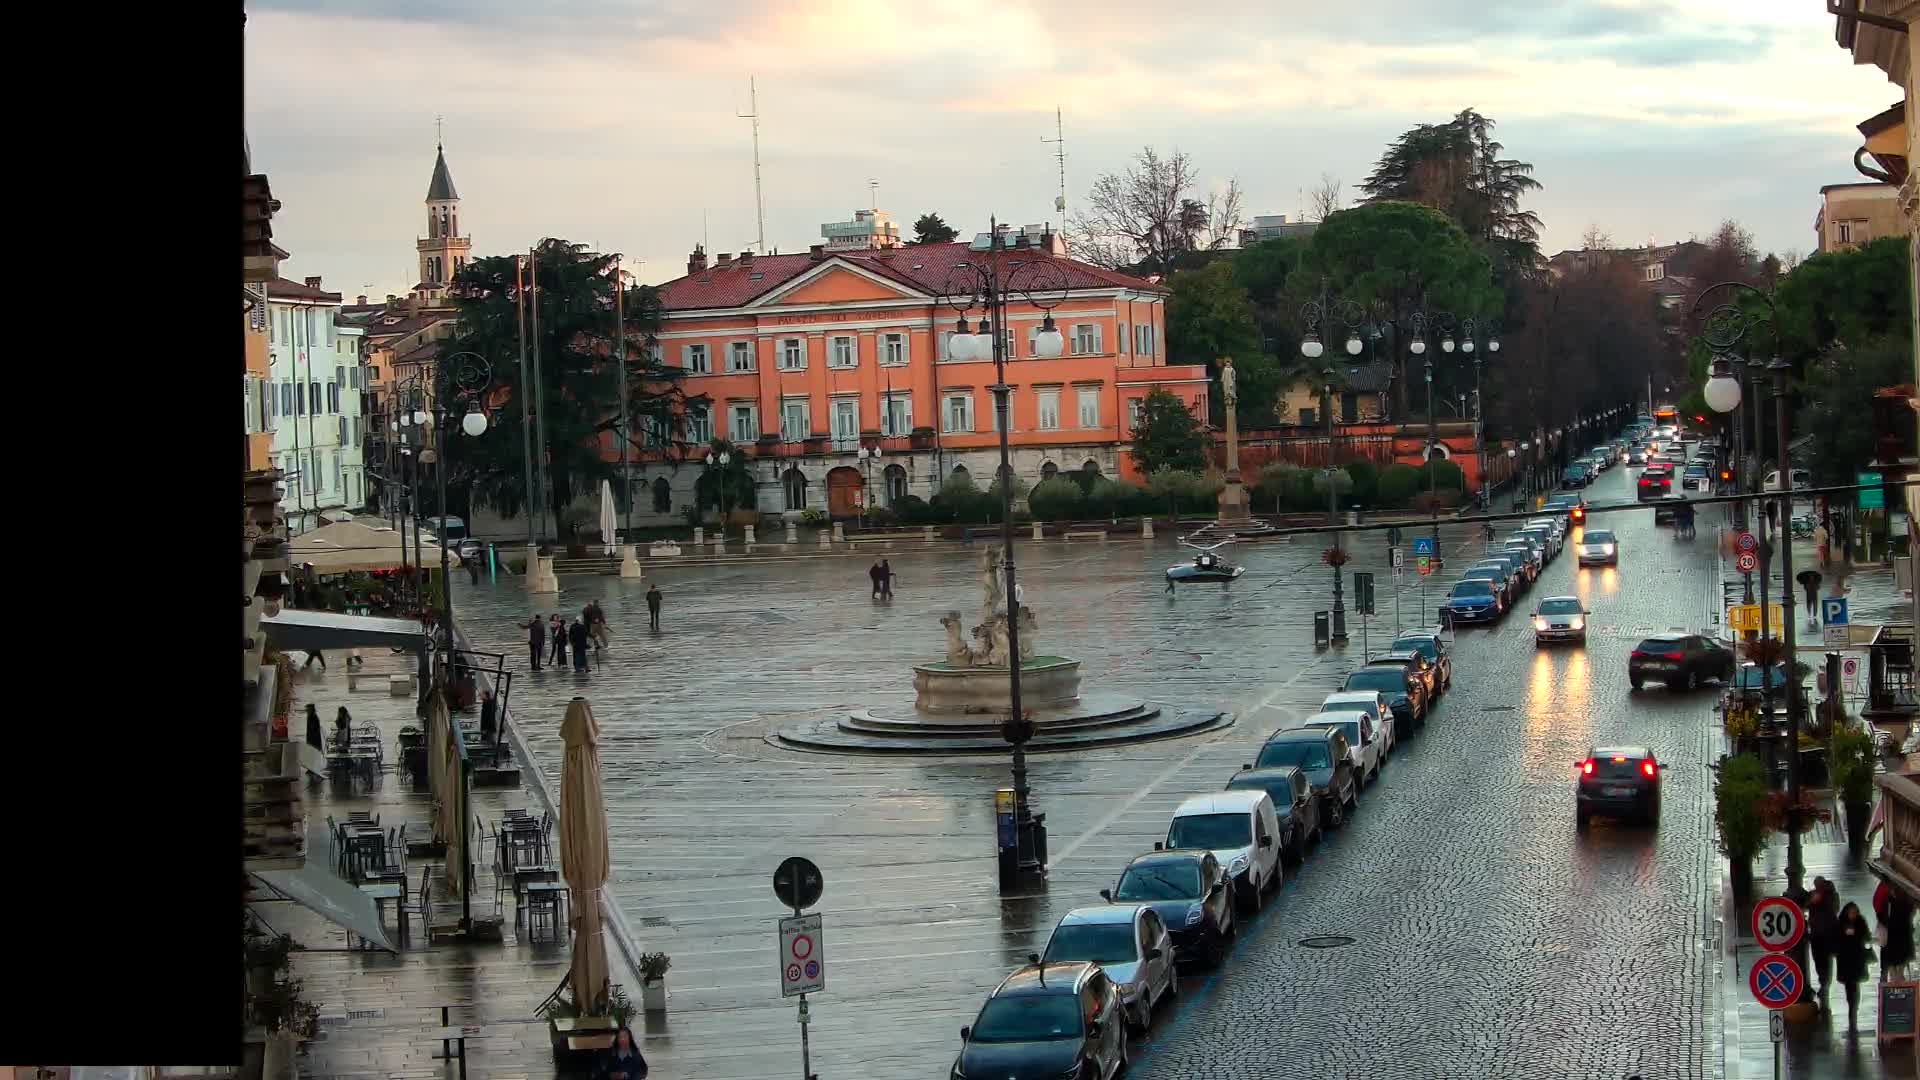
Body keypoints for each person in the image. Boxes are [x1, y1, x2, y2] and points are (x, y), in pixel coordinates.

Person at [1835, 901, 1874, 1030]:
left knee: (1855, 985)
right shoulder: (1840, 923)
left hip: (1857, 959)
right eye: (1851, 913)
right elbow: (1835, 939)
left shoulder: (1861, 922)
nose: (1853, 915)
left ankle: (1853, 1007)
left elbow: (1867, 936)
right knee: (1849, 985)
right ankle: (1851, 1005)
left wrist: (1857, 934)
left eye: (1855, 913)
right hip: (1845, 960)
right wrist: (1844, 935)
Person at [1807, 876, 1839, 1007]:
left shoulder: (1830, 895)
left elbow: (1834, 909)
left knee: (1822, 962)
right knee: (1824, 962)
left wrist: (1817, 901)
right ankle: (1824, 986)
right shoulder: (1816, 895)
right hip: (1821, 934)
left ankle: (1824, 986)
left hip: (1823, 934)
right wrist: (1812, 901)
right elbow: (1805, 903)